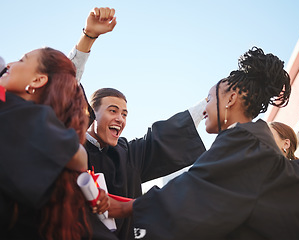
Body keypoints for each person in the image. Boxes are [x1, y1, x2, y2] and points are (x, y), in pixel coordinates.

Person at [108, 47, 299, 240]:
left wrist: (122, 207)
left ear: (230, 99)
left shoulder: (245, 142)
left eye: (210, 99)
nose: (205, 109)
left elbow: (191, 194)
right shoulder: (257, 144)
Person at [67, 7, 207, 240]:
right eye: (113, 111)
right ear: (91, 113)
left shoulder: (128, 154)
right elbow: (66, 87)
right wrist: (88, 36)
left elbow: (170, 132)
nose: (120, 119)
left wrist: (212, 101)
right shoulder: (71, 144)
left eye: (124, 114)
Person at [0, 47, 114, 240]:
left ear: (37, 80)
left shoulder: (18, 115)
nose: (9, 65)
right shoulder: (2, 114)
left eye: (22, 60)